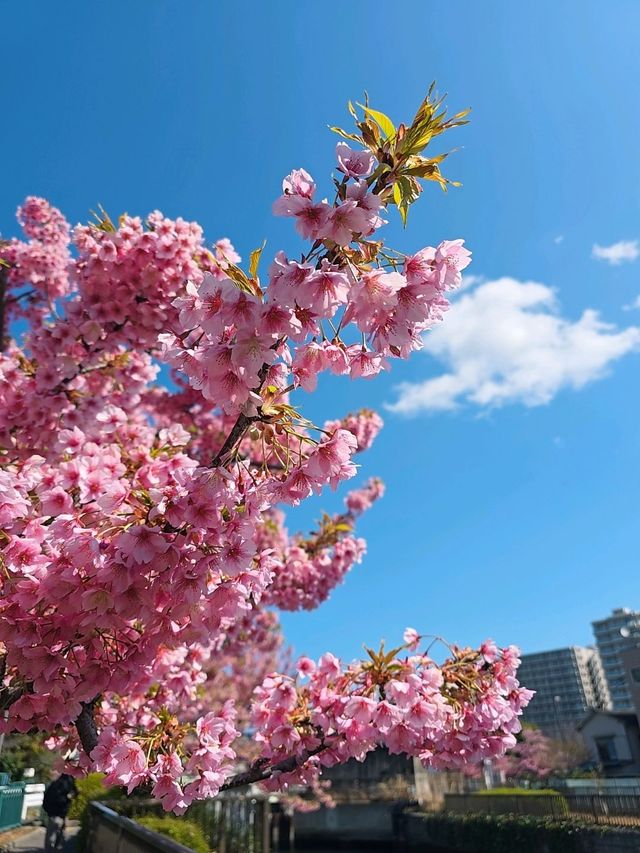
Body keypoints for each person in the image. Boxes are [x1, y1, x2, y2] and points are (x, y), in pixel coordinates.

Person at [42, 774, 77, 852]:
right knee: (55, 839)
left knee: (53, 839)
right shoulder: (65, 783)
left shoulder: (58, 783)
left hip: (56, 814)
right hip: (58, 814)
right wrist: (68, 798)